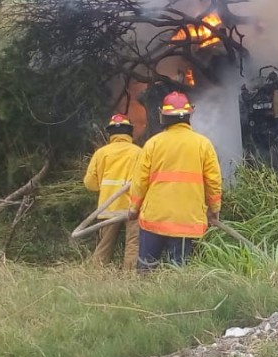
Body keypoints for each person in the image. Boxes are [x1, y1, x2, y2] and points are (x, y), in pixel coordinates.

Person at [128, 91, 222, 270]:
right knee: (178, 271)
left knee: (146, 268)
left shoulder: (153, 144)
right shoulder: (204, 145)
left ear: (163, 115)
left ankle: (141, 296)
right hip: (187, 220)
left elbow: (139, 181)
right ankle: (177, 297)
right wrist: (214, 210)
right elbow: (214, 182)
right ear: (189, 115)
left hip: (155, 219)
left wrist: (133, 208)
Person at [83, 114, 141, 270]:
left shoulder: (101, 153)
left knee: (104, 246)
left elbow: (89, 183)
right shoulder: (138, 152)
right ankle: (130, 277)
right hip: (133, 208)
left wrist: (103, 189)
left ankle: (97, 275)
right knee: (133, 245)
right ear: (129, 132)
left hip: (108, 208)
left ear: (111, 133)